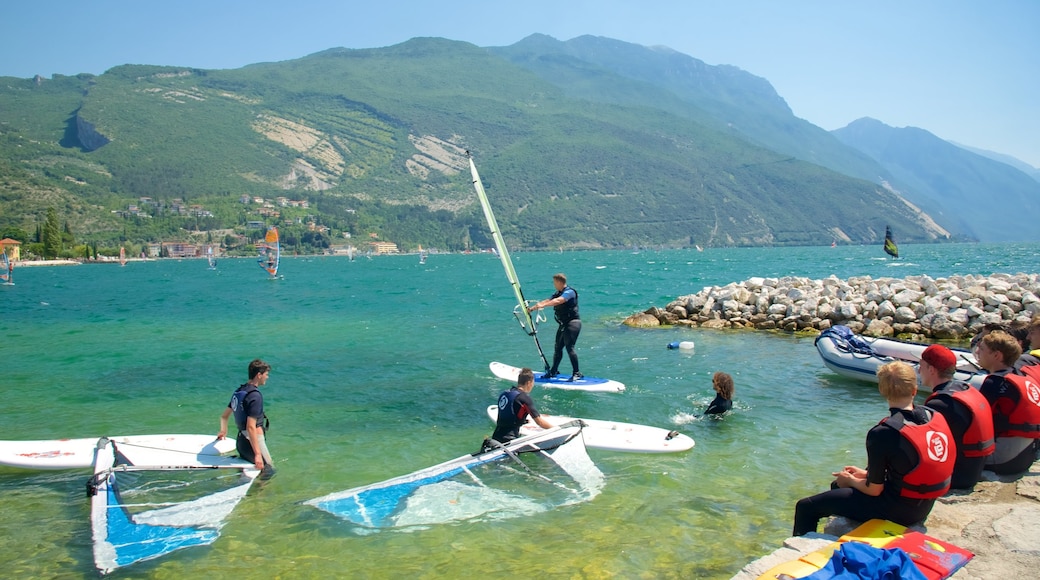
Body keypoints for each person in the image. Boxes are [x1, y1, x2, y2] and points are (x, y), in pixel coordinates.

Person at [791, 361, 954, 536]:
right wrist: (863, 474)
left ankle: (801, 551)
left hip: (898, 511)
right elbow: (907, 464)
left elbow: (874, 489)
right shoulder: (932, 416)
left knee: (806, 506)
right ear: (914, 389)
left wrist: (850, 480)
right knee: (841, 488)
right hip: (923, 506)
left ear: (882, 391)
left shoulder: (883, 432)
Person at [919, 345, 995, 489]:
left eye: (921, 366)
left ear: (931, 370)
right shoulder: (965, 388)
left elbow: (927, 448)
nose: (918, 370)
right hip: (974, 469)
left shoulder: (941, 404)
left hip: (959, 476)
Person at [976, 331, 1040, 475]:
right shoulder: (1021, 377)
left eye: (982, 349)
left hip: (1004, 460)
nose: (978, 352)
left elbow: (977, 422)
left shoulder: (994, 382)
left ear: (997, 355)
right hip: (1026, 457)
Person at [218, 358, 275, 476]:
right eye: (266, 374)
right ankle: (257, 495)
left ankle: (243, 493)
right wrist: (258, 454)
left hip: (241, 443)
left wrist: (223, 431)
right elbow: (251, 427)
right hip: (253, 443)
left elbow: (224, 416)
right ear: (259, 375)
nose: (267, 377)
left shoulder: (239, 392)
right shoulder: (255, 396)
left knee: (249, 473)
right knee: (268, 472)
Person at [530, 273, 582, 381]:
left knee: (569, 348)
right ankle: (553, 371)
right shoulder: (558, 293)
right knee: (558, 349)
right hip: (563, 325)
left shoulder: (569, 292)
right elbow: (548, 300)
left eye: (554, 282)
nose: (554, 285)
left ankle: (577, 373)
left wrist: (543, 305)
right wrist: (533, 308)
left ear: (559, 282)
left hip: (572, 324)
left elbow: (559, 301)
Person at [491, 367, 553, 444]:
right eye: (533, 383)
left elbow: (509, 412)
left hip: (496, 437)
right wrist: (556, 429)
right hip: (509, 441)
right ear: (529, 383)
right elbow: (539, 422)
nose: (533, 386)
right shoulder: (524, 398)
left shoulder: (505, 394)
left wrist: (523, 421)